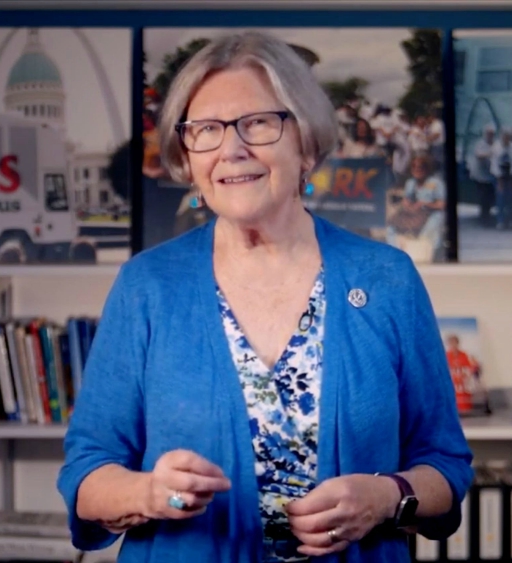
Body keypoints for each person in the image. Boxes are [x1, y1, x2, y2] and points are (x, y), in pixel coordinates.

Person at [57, 31, 473, 563]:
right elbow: (87, 472)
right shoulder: (147, 286)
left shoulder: (388, 278)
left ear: (306, 141)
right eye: (205, 129)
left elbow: (446, 464)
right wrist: (147, 494)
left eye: (257, 122)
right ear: (187, 156)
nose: (232, 149)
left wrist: (386, 497)